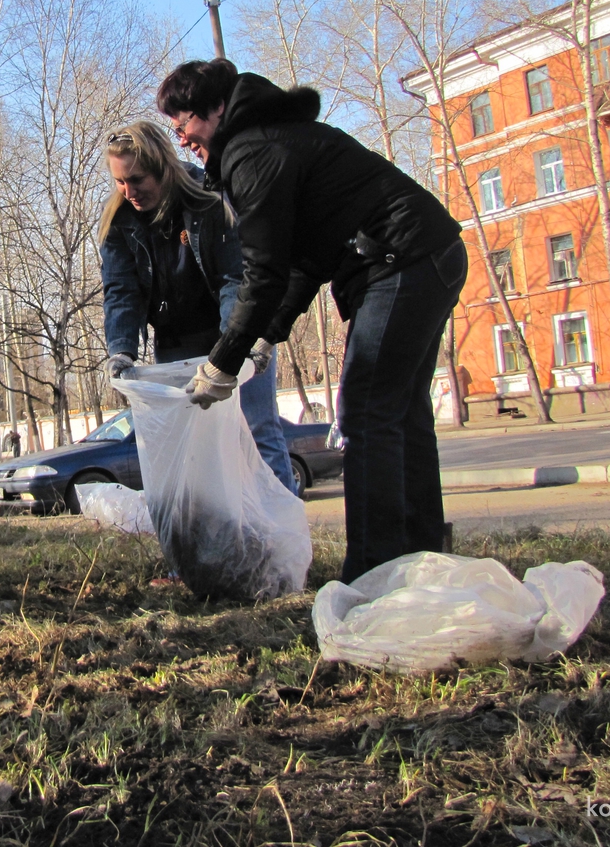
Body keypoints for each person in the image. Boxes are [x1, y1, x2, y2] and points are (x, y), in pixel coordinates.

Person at [156, 59, 465, 584]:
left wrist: (222, 361)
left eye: (183, 122)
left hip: (403, 261)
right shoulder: (271, 138)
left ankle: (373, 574)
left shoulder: (254, 152)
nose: (181, 138)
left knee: (366, 411)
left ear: (216, 108)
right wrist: (267, 336)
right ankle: (420, 556)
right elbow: (304, 262)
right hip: (425, 254)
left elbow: (265, 271)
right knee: (401, 414)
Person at [99, 121, 297, 493]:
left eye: (137, 179)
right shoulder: (118, 221)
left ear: (163, 167)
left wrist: (234, 350)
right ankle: (209, 540)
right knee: (190, 448)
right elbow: (121, 290)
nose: (129, 192)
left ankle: (278, 542)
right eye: (120, 182)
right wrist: (121, 351)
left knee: (256, 433)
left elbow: (233, 279)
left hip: (233, 332)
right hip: (175, 345)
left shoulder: (208, 201)